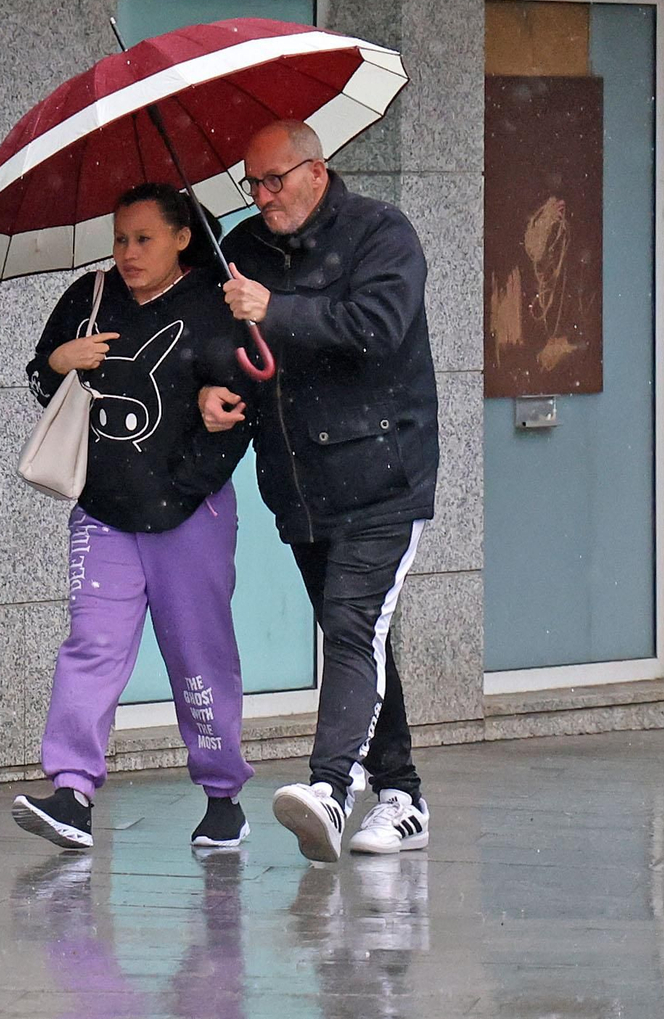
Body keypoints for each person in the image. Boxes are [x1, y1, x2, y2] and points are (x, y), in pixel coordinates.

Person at [203, 119, 439, 862]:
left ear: (316, 169)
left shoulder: (381, 233)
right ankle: (401, 795)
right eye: (253, 183)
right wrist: (218, 383)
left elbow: (376, 328)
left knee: (350, 624)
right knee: (359, 636)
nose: (264, 196)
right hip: (299, 485)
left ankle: (331, 790)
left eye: (275, 180)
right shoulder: (240, 250)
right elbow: (229, 342)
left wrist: (274, 308)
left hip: (383, 478)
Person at [12, 183, 255, 851]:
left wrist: (209, 422)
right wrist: (61, 361)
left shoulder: (216, 303)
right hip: (104, 512)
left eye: (143, 238)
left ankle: (223, 794)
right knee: (91, 646)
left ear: (182, 238)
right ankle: (71, 790)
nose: (126, 252)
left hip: (191, 514)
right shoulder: (88, 298)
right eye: (119, 238)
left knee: (198, 655)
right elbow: (42, 379)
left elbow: (245, 405)